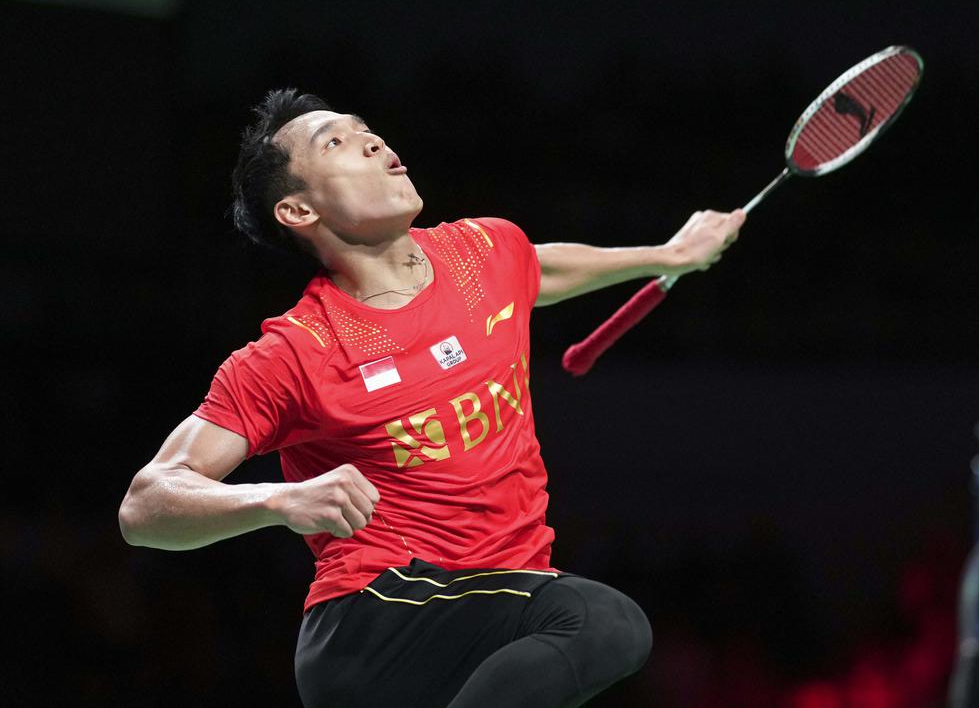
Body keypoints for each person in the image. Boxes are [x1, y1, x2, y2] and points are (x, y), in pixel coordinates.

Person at [118, 88, 745, 707]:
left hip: (498, 615)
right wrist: (281, 499)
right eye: (335, 142)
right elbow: (146, 507)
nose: (373, 141)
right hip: (378, 623)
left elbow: (540, 270)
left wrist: (671, 254)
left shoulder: (483, 252)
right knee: (606, 622)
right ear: (298, 211)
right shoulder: (297, 352)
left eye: (366, 129)